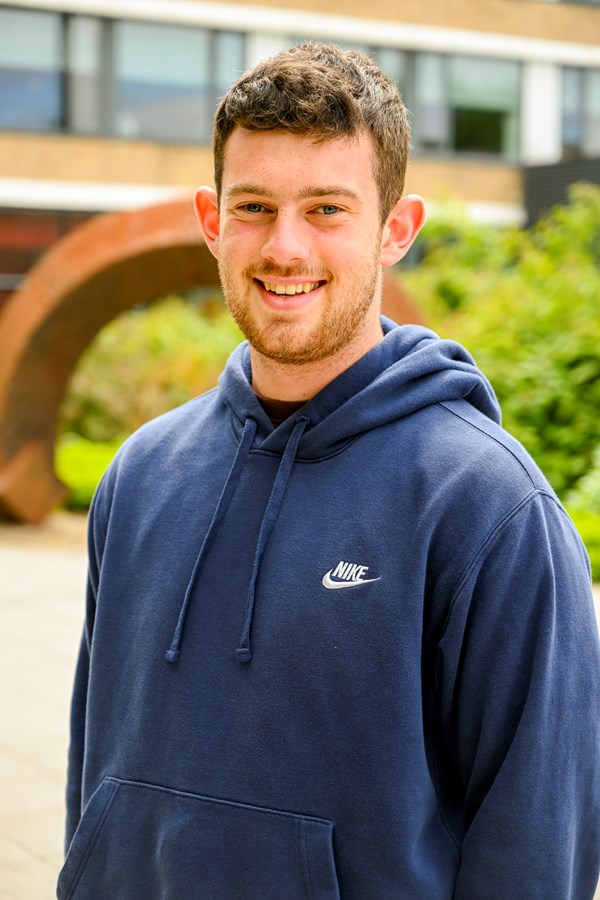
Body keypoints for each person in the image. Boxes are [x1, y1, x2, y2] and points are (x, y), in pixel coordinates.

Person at [59, 42, 600, 899]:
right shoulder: (141, 474)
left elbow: (538, 849)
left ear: (397, 230)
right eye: (255, 206)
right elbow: (96, 781)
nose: (284, 247)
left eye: (326, 209)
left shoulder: (488, 507)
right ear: (211, 219)